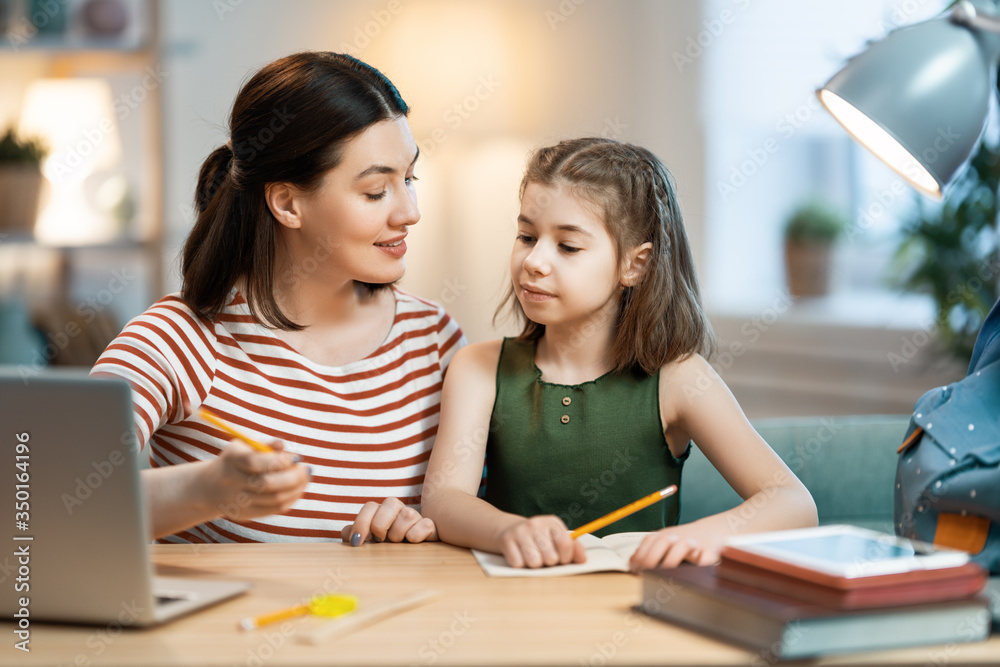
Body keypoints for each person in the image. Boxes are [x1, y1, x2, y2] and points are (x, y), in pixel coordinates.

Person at [91, 52, 464, 546]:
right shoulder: (181, 339)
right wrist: (205, 489)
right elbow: (42, 505)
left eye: (409, 179)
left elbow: (480, 513)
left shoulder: (434, 341)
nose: (409, 212)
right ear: (288, 203)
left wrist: (425, 531)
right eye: (376, 191)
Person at [422, 137, 817, 570]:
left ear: (636, 264)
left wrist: (709, 532)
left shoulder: (680, 379)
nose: (534, 261)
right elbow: (443, 500)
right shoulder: (477, 368)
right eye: (526, 236)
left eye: (568, 246)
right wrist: (506, 531)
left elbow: (795, 503)